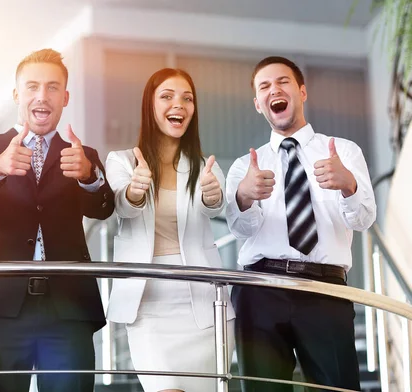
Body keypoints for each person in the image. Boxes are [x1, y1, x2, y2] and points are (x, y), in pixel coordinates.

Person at [0, 48, 114, 392]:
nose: (42, 96)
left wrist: (89, 176)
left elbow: (103, 208)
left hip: (67, 310)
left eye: (53, 87)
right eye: (32, 87)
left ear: (66, 97)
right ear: (16, 94)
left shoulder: (82, 154)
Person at [225, 56, 376, 391]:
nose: (274, 90)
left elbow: (364, 219)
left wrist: (348, 184)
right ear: (257, 104)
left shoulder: (344, 152)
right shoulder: (244, 167)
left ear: (302, 91)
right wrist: (245, 196)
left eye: (283, 82)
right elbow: (240, 229)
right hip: (260, 291)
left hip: (325, 291)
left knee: (337, 386)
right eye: (264, 86)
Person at [106, 68, 236, 392]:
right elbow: (121, 205)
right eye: (166, 96)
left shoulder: (205, 166)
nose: (178, 104)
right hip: (148, 306)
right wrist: (135, 190)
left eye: (187, 98)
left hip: (205, 308)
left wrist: (213, 193)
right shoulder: (122, 161)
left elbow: (215, 206)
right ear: (149, 106)